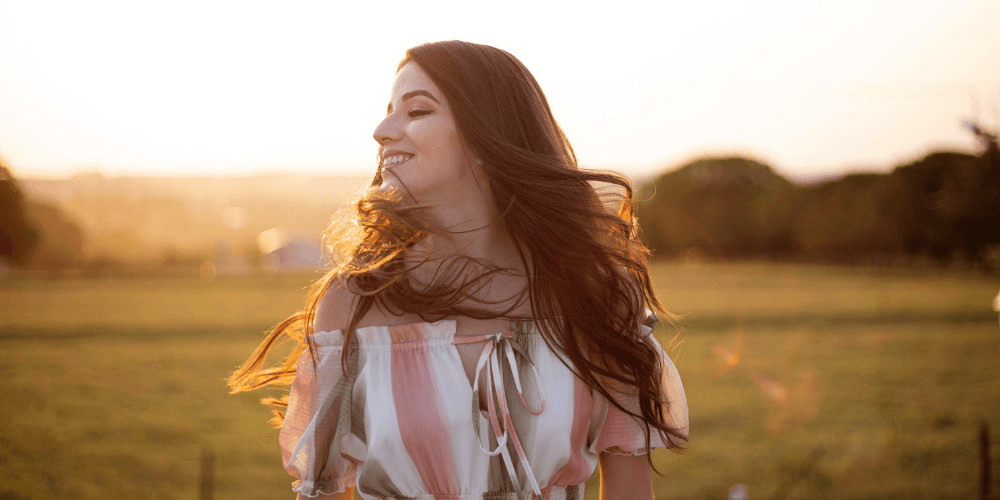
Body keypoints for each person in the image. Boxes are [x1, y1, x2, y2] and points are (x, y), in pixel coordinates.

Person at [228, 40, 689, 500]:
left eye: (417, 111)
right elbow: (323, 493)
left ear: (487, 136)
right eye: (389, 110)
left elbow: (630, 490)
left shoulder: (592, 296)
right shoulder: (356, 303)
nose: (382, 130)